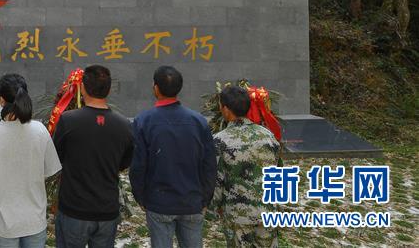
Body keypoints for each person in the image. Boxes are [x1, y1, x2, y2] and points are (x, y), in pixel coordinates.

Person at [130, 66, 217, 248]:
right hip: (192, 201)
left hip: (159, 202)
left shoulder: (143, 121)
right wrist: (205, 198)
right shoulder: (198, 121)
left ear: (155, 88)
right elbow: (209, 164)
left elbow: (138, 165)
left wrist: (141, 197)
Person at [0, 73, 62, 248]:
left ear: (1, 100)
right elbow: (50, 169)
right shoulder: (40, 130)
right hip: (34, 220)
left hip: (3, 222)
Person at [52, 65, 134, 248]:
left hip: (74, 209)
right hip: (106, 210)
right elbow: (124, 162)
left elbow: (57, 156)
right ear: (109, 90)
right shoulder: (124, 125)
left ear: (82, 88)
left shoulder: (68, 121)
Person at [213, 86, 281, 248]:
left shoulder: (220, 140)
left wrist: (214, 208)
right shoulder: (268, 136)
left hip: (238, 215)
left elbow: (217, 180)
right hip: (267, 212)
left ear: (226, 109)